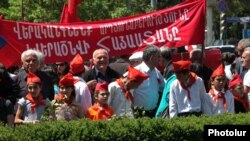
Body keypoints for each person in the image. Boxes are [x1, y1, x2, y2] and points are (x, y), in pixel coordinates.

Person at [133, 45, 165, 118]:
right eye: (158, 57)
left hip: (154, 112)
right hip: (139, 114)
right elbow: (128, 93)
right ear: (152, 58)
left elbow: (163, 87)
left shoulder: (156, 71)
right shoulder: (136, 71)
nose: (160, 59)